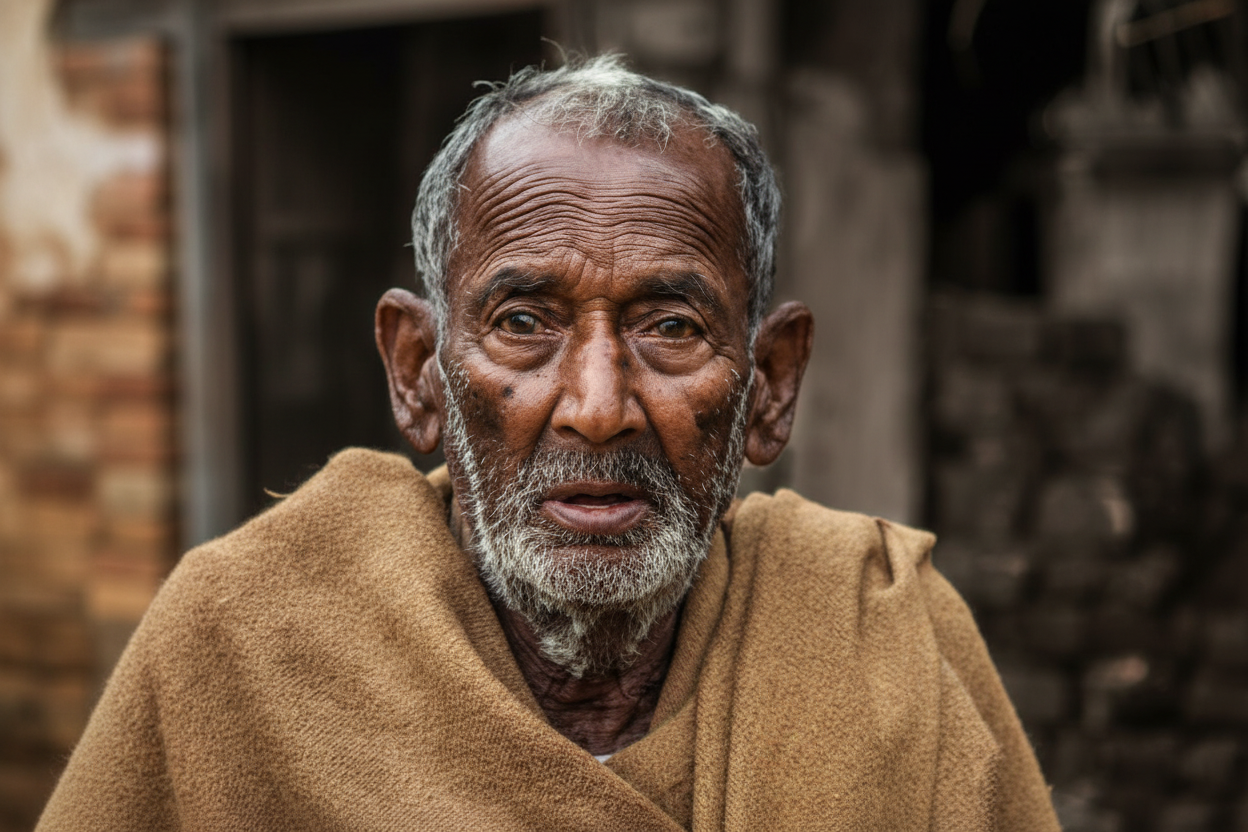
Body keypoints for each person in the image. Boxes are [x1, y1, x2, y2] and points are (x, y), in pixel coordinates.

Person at [39, 55, 1060, 831]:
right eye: (524, 322)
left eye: (671, 325)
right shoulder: (241, 645)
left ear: (769, 387)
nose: (598, 405)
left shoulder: (884, 638)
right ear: (418, 371)